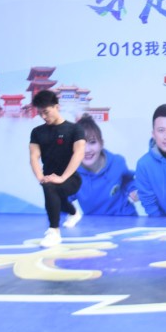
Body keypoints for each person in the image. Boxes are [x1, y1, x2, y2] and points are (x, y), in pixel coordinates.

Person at [29, 90, 86, 247]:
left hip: (71, 178)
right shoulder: (37, 132)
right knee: (52, 192)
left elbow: (79, 153)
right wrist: (40, 177)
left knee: (51, 188)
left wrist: (62, 178)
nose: (43, 116)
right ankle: (74, 212)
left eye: (46, 112)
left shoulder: (75, 129)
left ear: (57, 107)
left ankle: (54, 232)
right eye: (40, 113)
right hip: (49, 177)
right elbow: (34, 156)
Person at [72, 114, 138, 216]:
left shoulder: (117, 162)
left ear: (101, 144)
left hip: (126, 219)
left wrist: (133, 190)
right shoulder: (72, 175)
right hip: (95, 224)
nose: (87, 150)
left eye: (92, 142)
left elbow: (128, 180)